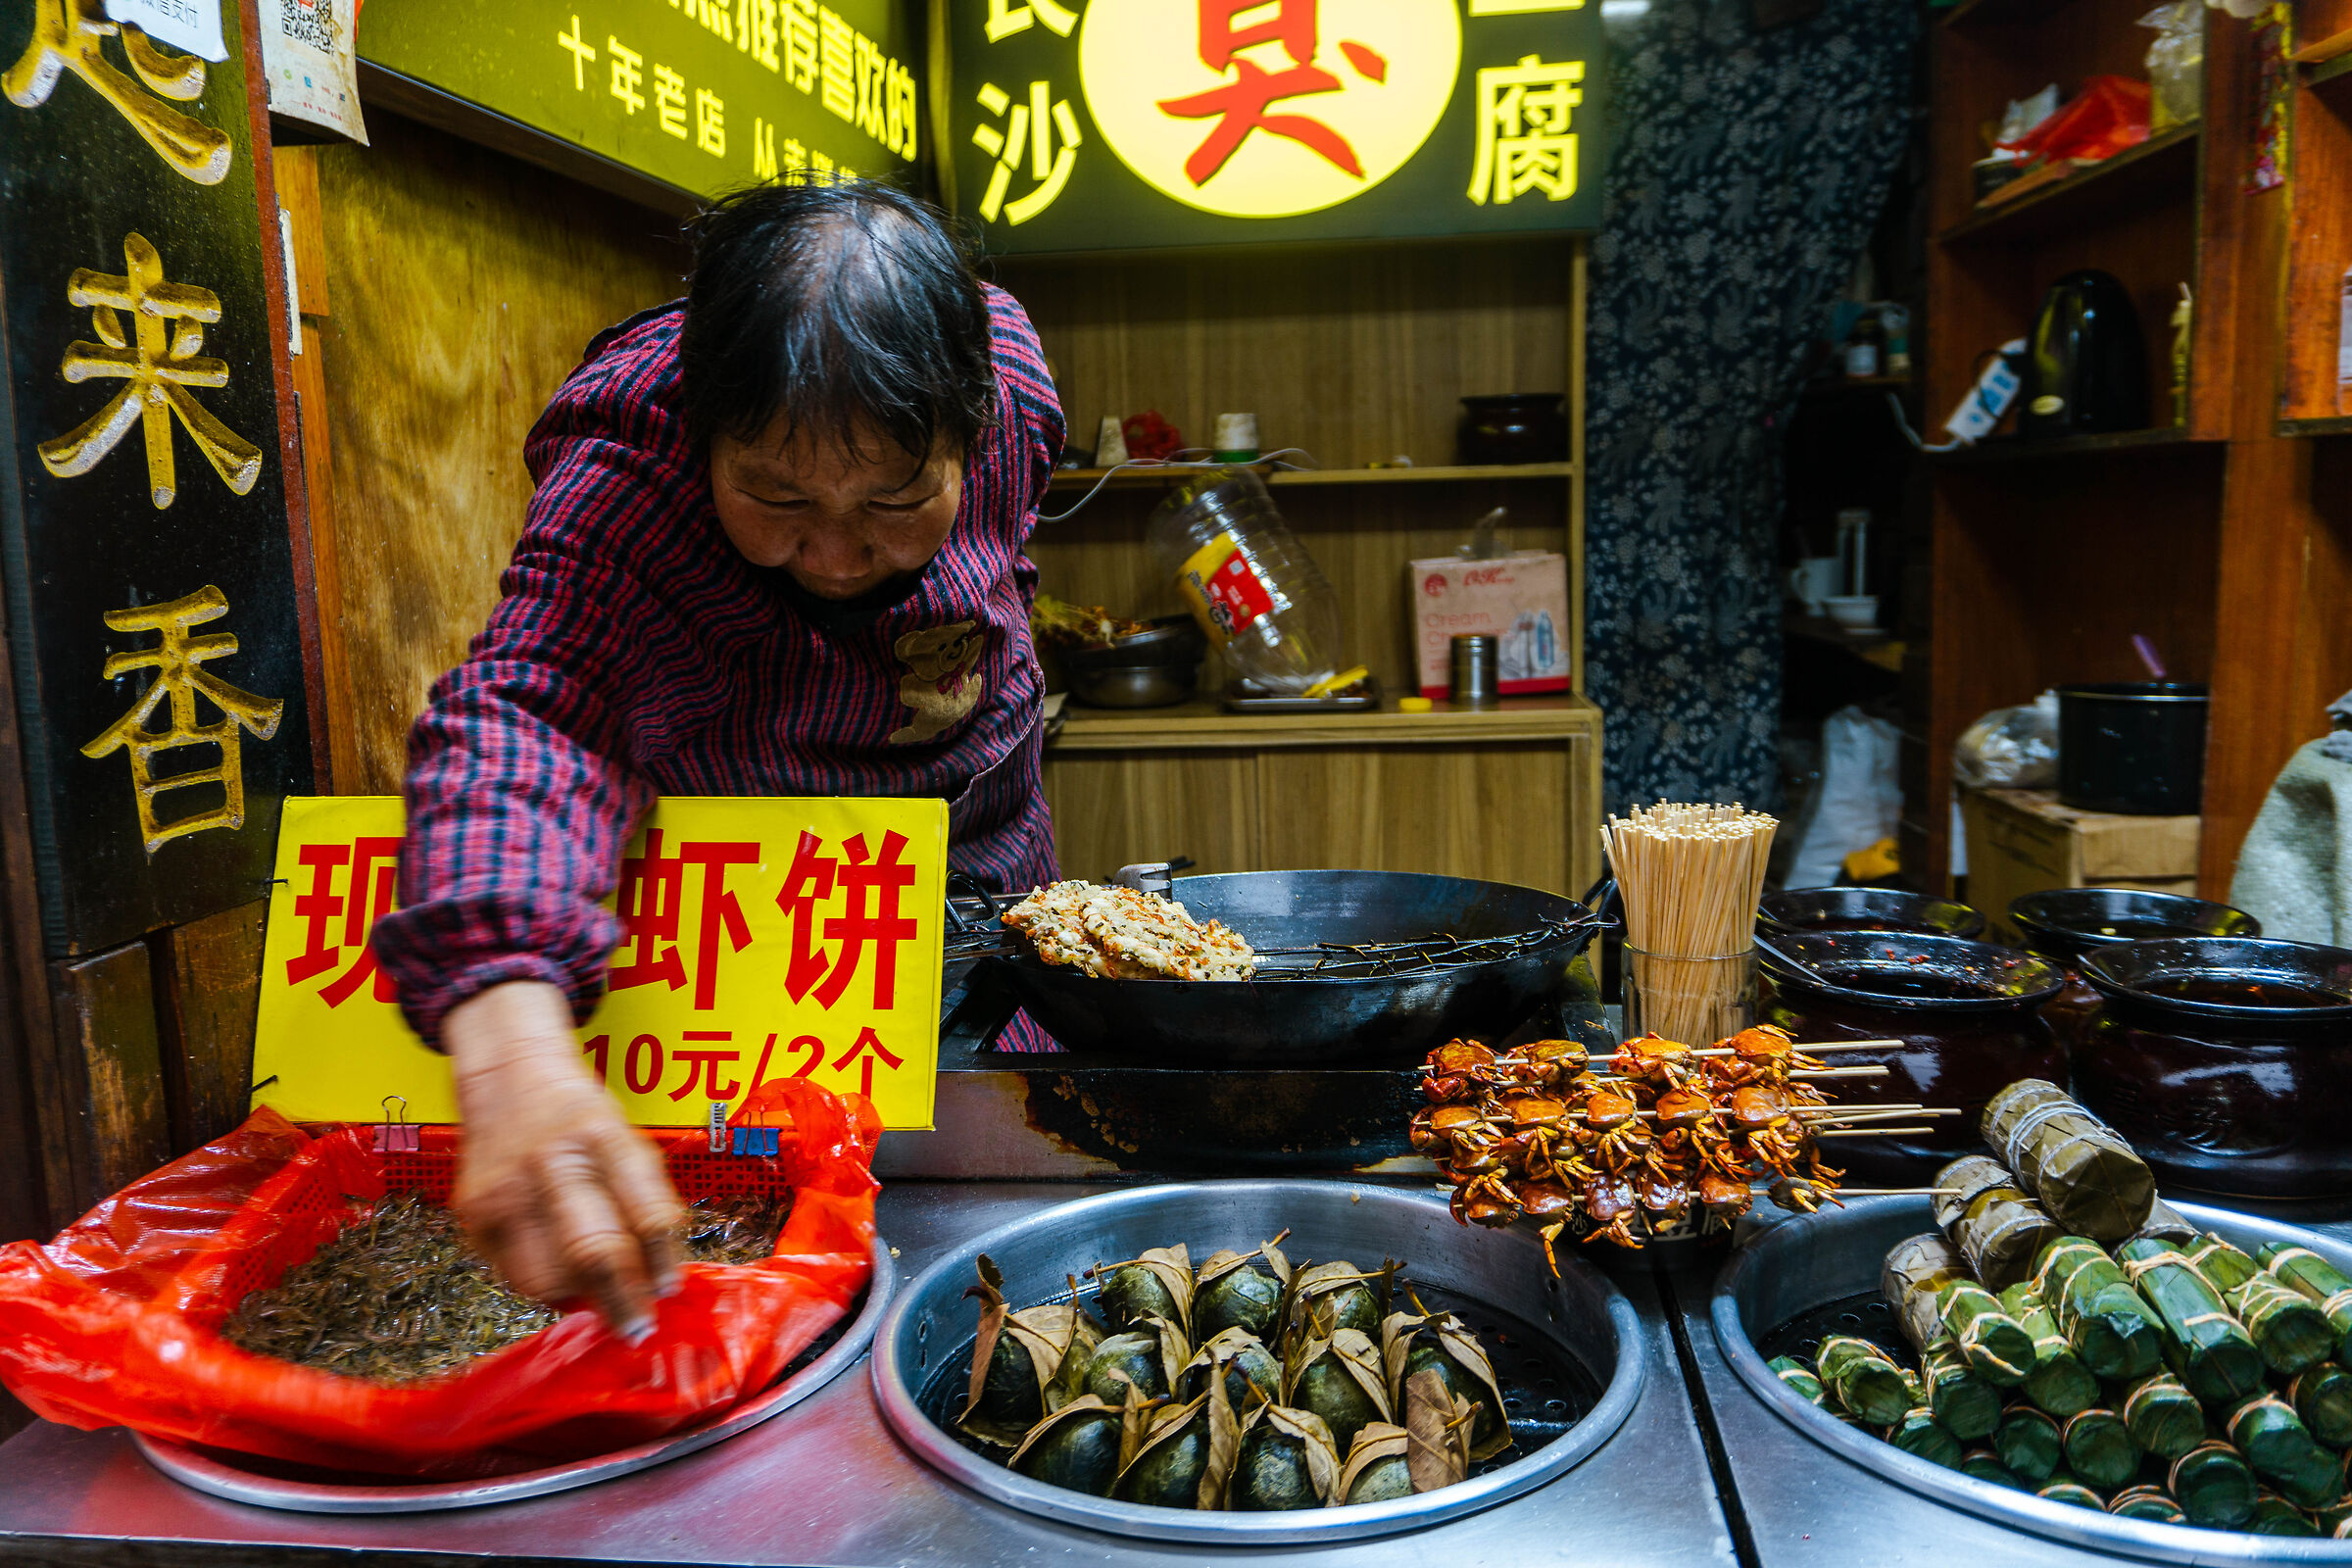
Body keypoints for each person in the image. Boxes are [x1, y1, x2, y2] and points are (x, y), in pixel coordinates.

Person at [372, 178, 1064, 1339]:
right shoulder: (628, 474)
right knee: (771, 1232)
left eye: (897, 498)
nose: (839, 556)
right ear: (704, 434)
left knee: (1010, 1181)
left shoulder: (1020, 388)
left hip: (981, 847)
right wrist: (508, 1047)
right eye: (776, 496)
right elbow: (531, 716)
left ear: (976, 421)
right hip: (764, 923)